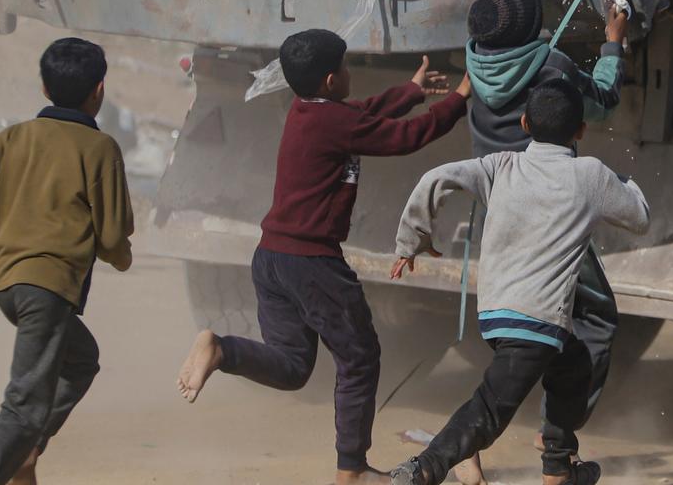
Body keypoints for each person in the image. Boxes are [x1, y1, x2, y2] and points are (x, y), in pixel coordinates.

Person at [176, 29, 470, 485]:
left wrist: (412, 90)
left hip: (272, 257)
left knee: (293, 366)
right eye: (348, 69)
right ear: (332, 79)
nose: (352, 76)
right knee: (360, 358)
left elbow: (365, 114)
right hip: (310, 263)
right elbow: (407, 137)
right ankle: (351, 469)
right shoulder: (333, 121)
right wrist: (462, 96)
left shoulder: (307, 111)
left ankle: (222, 350)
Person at [389, 78, 650, 485]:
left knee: (574, 366)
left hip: (497, 313)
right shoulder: (591, 175)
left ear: (525, 123)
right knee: (492, 409)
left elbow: (436, 178)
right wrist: (620, 180)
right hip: (538, 321)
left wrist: (413, 240)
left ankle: (559, 468)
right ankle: (425, 469)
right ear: (581, 131)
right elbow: (640, 217)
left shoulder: (500, 166)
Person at [0, 37, 135, 485]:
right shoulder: (99, 149)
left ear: (44, 89)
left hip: (9, 284)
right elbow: (114, 236)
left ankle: (26, 450)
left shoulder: (15, 137)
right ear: (99, 90)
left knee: (81, 359)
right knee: (24, 405)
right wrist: (121, 256)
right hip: (49, 289)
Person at [461, 0, 630, 426]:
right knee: (595, 318)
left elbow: (516, 1)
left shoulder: (476, 59)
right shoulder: (553, 71)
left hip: (501, 210)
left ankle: (476, 446)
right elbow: (602, 100)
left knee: (516, 332)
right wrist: (613, 41)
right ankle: (558, 434)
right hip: (550, 215)